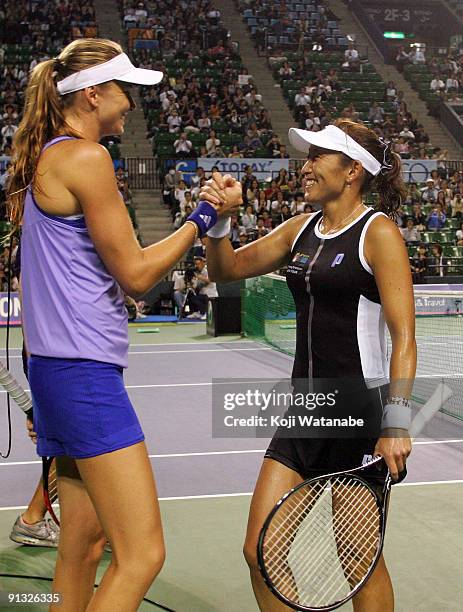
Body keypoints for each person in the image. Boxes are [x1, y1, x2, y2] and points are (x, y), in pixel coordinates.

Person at [7, 38, 235, 611]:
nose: (131, 103)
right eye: (123, 90)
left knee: (81, 548)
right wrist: (204, 217)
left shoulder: (51, 156)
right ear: (90, 96)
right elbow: (136, 275)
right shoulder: (86, 158)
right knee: (142, 555)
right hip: (82, 375)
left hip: (57, 370)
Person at [200, 119, 416, 612]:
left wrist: (397, 422)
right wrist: (218, 223)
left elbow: (404, 336)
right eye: (310, 154)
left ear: (353, 172)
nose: (308, 164)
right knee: (259, 550)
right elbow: (227, 269)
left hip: (360, 414)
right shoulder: (301, 229)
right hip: (306, 409)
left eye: (320, 155)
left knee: (358, 559)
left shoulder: (377, 233)